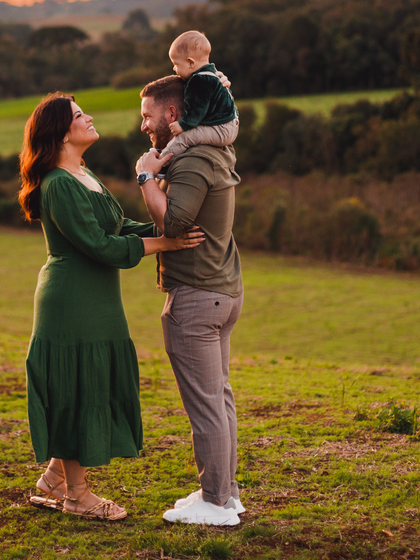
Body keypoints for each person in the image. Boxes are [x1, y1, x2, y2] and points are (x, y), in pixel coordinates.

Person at [19, 93, 204, 521]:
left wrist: (170, 225)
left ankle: (54, 479)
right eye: (80, 115)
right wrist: (166, 243)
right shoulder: (58, 183)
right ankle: (78, 496)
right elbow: (101, 246)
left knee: (90, 385)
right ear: (62, 132)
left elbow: (119, 227)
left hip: (97, 299)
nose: (89, 118)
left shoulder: (83, 174)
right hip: (71, 301)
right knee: (77, 387)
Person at [134, 75, 246, 527]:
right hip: (220, 291)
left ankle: (217, 504)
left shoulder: (195, 159)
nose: (144, 125)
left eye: (147, 116)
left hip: (197, 298)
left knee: (206, 405)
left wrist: (145, 176)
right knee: (218, 398)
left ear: (173, 115)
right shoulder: (210, 152)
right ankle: (224, 493)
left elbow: (174, 225)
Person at [159, 30, 240, 159]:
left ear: (191, 63)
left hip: (222, 129)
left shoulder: (199, 81)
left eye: (176, 64)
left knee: (185, 137)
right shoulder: (212, 74)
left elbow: (197, 110)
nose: (174, 69)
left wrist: (182, 125)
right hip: (228, 124)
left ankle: (162, 162)